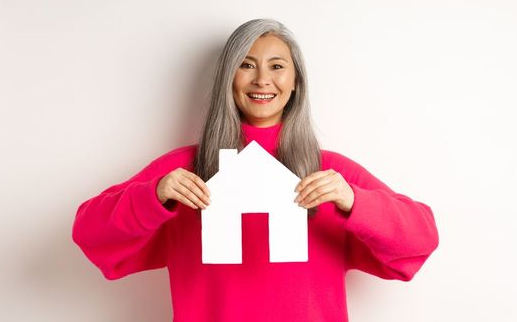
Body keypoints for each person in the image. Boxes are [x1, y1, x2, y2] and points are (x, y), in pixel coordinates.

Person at [71, 18, 439, 321]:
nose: (262, 79)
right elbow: (89, 230)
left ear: (296, 83)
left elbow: (422, 237)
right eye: (246, 65)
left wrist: (354, 201)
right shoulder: (185, 171)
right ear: (228, 79)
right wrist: (153, 195)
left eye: (277, 66)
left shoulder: (328, 173)